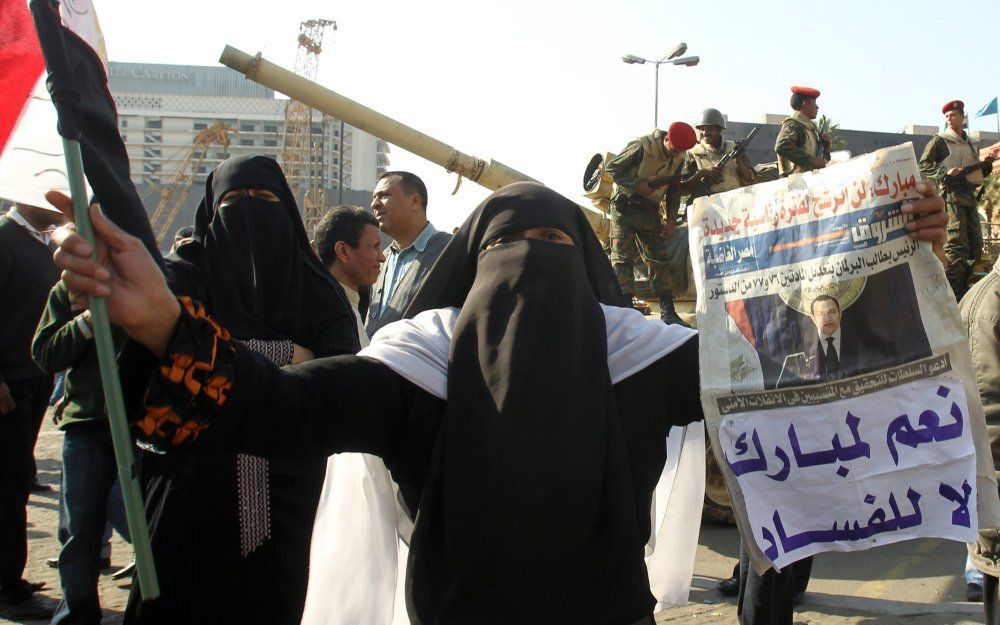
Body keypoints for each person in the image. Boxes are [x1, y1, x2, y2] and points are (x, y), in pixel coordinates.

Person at [50, 179, 948, 625]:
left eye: (556, 244)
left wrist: (901, 250)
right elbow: (283, 408)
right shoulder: (425, 361)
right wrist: (168, 322)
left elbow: (812, 362)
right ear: (474, 267)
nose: (538, 262)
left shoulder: (643, 354)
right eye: (519, 245)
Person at [106, 155, 360, 625]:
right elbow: (155, 352)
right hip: (189, 489)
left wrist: (207, 351)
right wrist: (285, 354)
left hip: (293, 494)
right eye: (233, 201)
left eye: (263, 200)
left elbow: (337, 386)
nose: (249, 211)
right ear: (211, 211)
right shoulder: (185, 273)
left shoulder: (318, 290)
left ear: (283, 209)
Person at [307, 205, 408, 625]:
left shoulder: (353, 300)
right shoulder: (316, 304)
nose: (381, 257)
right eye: (372, 247)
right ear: (343, 251)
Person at [31, 280, 131, 625]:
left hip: (143, 426)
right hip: (87, 425)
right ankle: (77, 616)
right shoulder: (68, 290)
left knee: (148, 525)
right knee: (79, 533)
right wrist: (86, 322)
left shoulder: (150, 283)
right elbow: (45, 354)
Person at [0, 201, 63, 620]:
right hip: (8, 382)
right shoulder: (4, 239)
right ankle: (8, 588)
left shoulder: (47, 244)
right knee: (10, 480)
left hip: (36, 376)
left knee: (18, 477)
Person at [605, 121, 704, 326]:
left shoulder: (679, 157)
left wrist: (670, 219)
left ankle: (668, 310)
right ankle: (626, 310)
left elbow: (674, 190)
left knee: (658, 258)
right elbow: (612, 167)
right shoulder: (642, 146)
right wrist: (636, 186)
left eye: (681, 151)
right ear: (667, 139)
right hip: (625, 206)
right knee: (622, 258)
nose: (676, 154)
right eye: (674, 149)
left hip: (649, 209)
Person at [919, 100, 999, 301]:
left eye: (953, 115)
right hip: (951, 197)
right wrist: (944, 172)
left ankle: (968, 290)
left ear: (962, 117)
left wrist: (988, 163)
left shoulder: (971, 143)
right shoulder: (941, 140)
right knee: (956, 247)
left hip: (969, 197)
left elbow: (977, 171)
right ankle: (954, 294)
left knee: (975, 246)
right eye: (947, 116)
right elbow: (925, 164)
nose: (949, 118)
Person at [366, 171, 451, 336]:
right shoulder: (383, 258)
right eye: (374, 197)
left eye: (384, 195)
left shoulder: (449, 251)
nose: (375, 204)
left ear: (415, 201)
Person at [683, 108, 756, 202]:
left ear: (719, 130)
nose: (705, 133)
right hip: (708, 208)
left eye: (709, 129)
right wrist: (701, 175)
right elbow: (683, 189)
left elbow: (749, 179)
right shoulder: (692, 153)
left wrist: (739, 161)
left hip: (735, 203)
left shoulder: (733, 148)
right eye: (702, 129)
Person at [774, 86, 830, 177]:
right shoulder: (794, 125)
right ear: (806, 104)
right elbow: (781, 145)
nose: (817, 107)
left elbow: (821, 163)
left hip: (807, 183)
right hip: (796, 185)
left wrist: (826, 149)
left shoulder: (808, 128)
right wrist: (811, 161)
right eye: (814, 103)